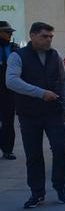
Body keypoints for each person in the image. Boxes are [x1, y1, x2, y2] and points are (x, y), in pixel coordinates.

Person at [5, 22, 65, 208]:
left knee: (60, 150)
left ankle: (60, 187)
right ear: (32, 36)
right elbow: (11, 81)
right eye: (44, 36)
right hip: (29, 114)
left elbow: (63, 81)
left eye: (51, 36)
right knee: (33, 155)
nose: (48, 40)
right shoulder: (18, 56)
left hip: (54, 113)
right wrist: (41, 93)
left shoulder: (54, 55)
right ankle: (37, 192)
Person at [0, 20, 19, 160]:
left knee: (8, 122)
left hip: (8, 91)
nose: (10, 34)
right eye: (7, 32)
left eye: (10, 32)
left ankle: (7, 150)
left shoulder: (14, 48)